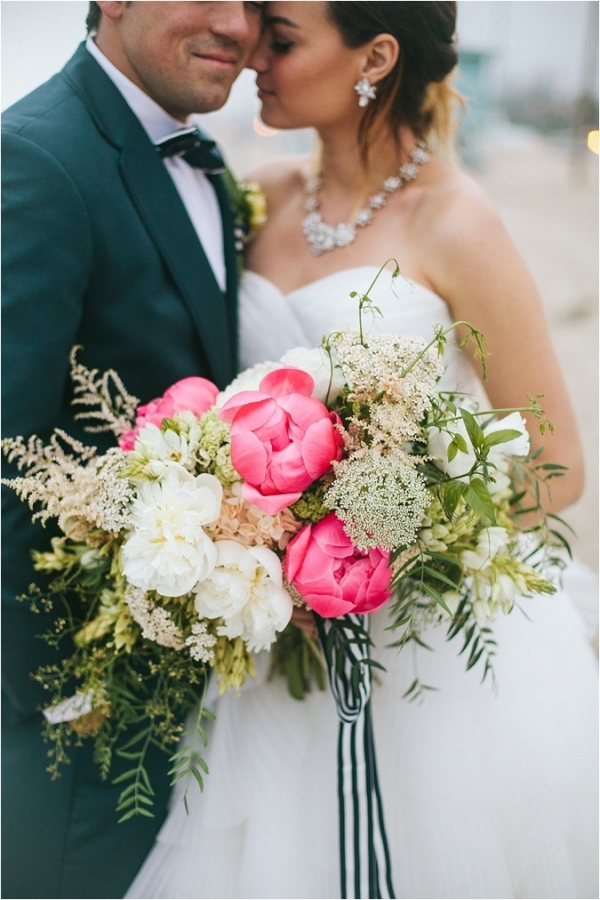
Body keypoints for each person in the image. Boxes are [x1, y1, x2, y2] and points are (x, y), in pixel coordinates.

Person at [124, 2, 597, 898]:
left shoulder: (457, 223)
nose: (254, 49)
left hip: (426, 659)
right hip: (276, 649)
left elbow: (559, 460)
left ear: (374, 55)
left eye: (285, 36)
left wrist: (379, 543)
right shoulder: (262, 194)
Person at [1, 2, 264, 898]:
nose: (238, 23)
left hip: (195, 693)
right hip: (78, 719)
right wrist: (60, 692)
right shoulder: (37, 155)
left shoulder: (204, 159)